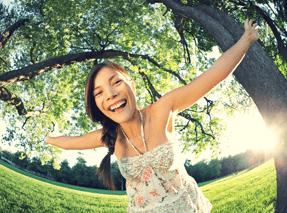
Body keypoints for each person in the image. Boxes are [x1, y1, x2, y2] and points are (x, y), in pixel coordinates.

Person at [46, 19, 260, 212]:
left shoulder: (162, 110)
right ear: (96, 105)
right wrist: (49, 137)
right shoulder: (110, 136)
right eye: (99, 93)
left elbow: (213, 75)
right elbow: (67, 142)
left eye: (116, 82)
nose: (110, 95)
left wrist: (247, 38)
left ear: (131, 83)